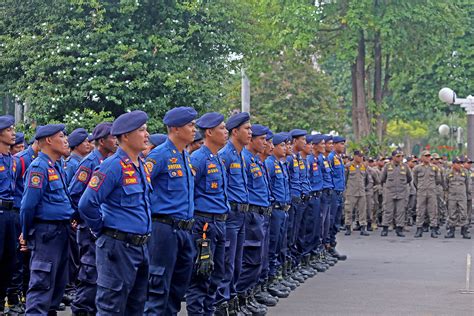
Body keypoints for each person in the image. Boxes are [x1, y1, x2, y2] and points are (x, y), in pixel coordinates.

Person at [78, 111, 152, 315]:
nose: (147, 135)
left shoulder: (141, 165)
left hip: (141, 247)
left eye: (146, 130)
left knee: (136, 306)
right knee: (112, 307)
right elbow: (86, 203)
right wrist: (100, 229)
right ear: (125, 136)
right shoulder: (112, 166)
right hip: (118, 247)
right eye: (141, 130)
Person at [145, 107, 197, 315]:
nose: (194, 129)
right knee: (158, 288)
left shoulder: (185, 155)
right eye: (190, 125)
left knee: (177, 289)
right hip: (164, 230)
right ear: (175, 128)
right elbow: (141, 189)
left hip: (185, 230)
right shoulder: (159, 155)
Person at [20, 124, 74, 315]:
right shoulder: (39, 167)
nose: (66, 140)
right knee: (41, 288)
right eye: (61, 136)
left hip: (62, 232)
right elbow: (27, 206)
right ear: (49, 140)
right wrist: (26, 234)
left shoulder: (56, 166)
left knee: (56, 290)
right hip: (46, 234)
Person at [70, 122, 117, 316]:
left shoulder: (113, 161)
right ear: (101, 141)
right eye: (112, 137)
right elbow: (74, 194)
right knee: (90, 278)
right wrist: (87, 220)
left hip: (106, 230)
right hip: (90, 230)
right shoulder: (90, 162)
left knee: (104, 281)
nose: (116, 140)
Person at [185, 112, 229, 316]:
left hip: (219, 222)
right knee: (201, 275)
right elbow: (188, 191)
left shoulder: (217, 158)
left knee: (216, 275)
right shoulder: (198, 158)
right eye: (222, 128)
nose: (226, 131)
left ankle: (208, 312)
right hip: (204, 224)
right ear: (209, 132)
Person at [216, 112, 251, 315]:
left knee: (237, 263)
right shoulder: (225, 155)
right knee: (226, 263)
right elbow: (222, 189)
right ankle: (222, 303)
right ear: (235, 132)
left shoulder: (240, 155)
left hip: (242, 216)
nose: (250, 132)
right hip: (230, 217)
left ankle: (232, 301)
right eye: (247, 129)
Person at [265, 133, 292, 298]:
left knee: (279, 245)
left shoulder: (280, 164)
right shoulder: (269, 164)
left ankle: (275, 277)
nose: (285, 148)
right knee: (272, 247)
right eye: (281, 145)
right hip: (275, 210)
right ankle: (269, 281)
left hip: (283, 209)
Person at [0, 115, 18, 315]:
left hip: (10, 214)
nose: (13, 133)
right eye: (9, 130)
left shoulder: (12, 160)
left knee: (9, 261)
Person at [380, 149, 412, 237]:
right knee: (388, 210)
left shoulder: (405, 167)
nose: (400, 158)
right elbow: (382, 178)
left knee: (400, 211)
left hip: (401, 192)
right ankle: (385, 228)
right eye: (398, 156)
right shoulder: (387, 166)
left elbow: (409, 178)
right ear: (393, 157)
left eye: (401, 156)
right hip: (390, 192)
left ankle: (399, 229)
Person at [413, 150, 441, 238]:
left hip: (432, 191)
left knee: (433, 211)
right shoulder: (417, 168)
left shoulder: (434, 168)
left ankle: (433, 229)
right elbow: (415, 181)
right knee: (420, 210)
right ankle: (419, 229)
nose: (428, 157)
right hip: (421, 191)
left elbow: (438, 180)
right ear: (422, 157)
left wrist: (431, 186)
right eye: (426, 156)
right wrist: (421, 187)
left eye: (429, 156)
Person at [327, 136, 347, 259]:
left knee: (336, 222)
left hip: (339, 193)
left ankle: (332, 246)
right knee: (330, 221)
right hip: (333, 193)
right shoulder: (330, 157)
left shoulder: (338, 158)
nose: (342, 146)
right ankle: (328, 247)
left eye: (343, 144)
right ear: (334, 144)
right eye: (340, 144)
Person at [344, 150, 370, 236]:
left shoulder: (363, 166)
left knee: (362, 210)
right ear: (355, 156)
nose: (361, 157)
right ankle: (348, 226)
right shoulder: (348, 166)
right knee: (349, 210)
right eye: (359, 156)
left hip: (361, 192)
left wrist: (363, 187)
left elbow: (366, 180)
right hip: (351, 192)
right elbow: (345, 179)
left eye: (362, 156)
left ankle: (363, 227)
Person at [445, 157, 471, 239]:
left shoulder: (465, 172)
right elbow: (445, 185)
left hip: (462, 196)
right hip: (452, 196)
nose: (460, 165)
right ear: (453, 164)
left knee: (463, 213)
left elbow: (467, 185)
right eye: (458, 163)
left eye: (461, 163)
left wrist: (467, 195)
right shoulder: (448, 172)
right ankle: (451, 231)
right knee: (452, 213)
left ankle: (464, 231)